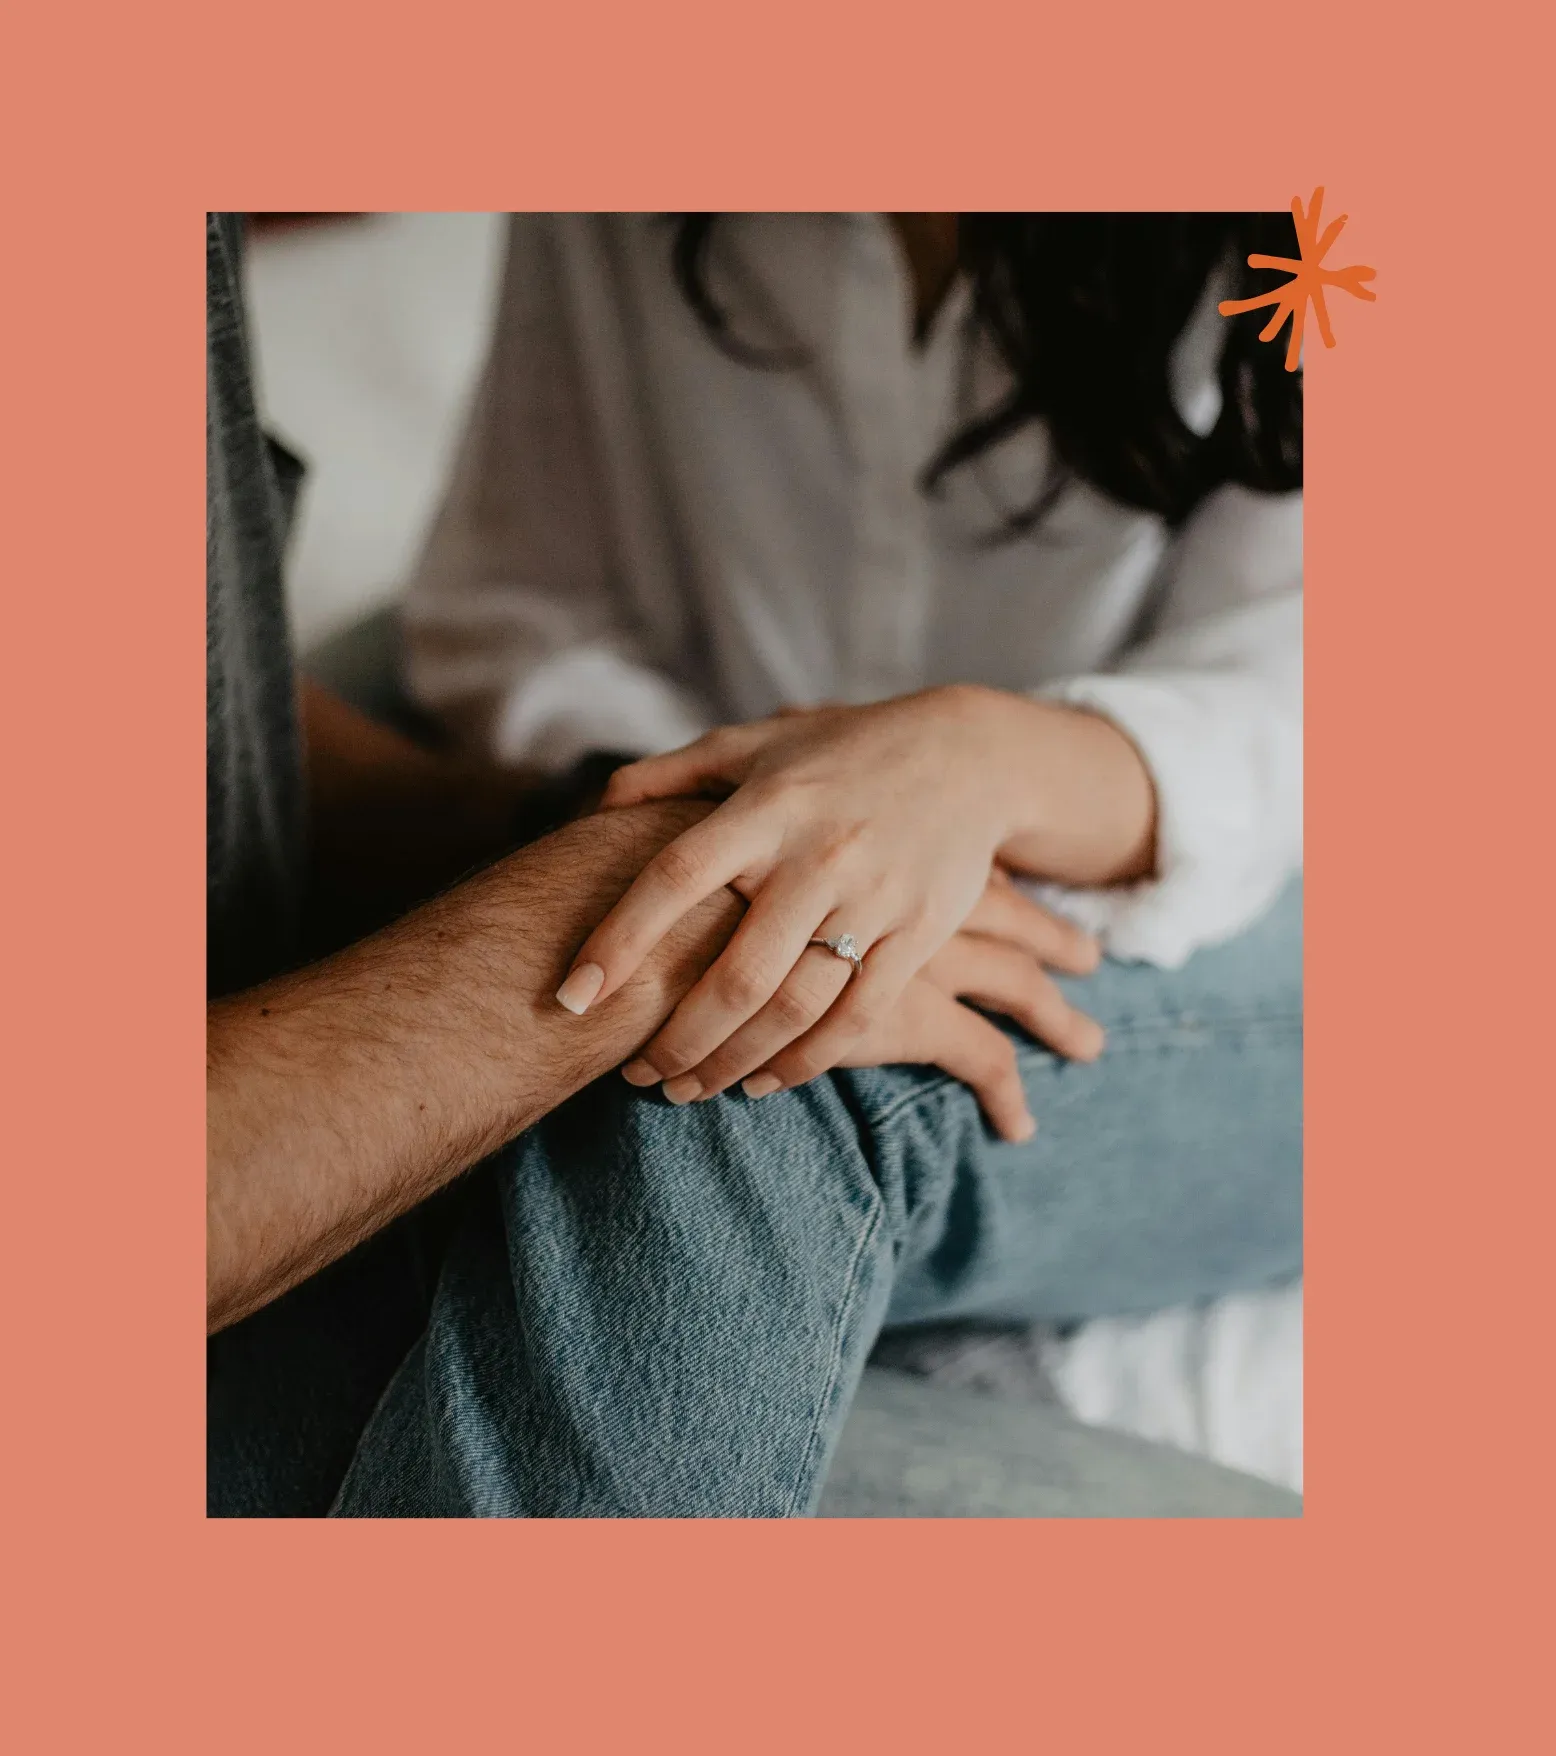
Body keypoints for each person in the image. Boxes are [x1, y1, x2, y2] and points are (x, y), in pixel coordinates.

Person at [207, 212, 1302, 1518]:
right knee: (746, 963)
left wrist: (979, 764)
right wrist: (744, 826)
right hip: (680, 764)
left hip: (1219, 873)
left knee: (761, 1036)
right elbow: (519, 605)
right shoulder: (625, 199)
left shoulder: (1302, 229)